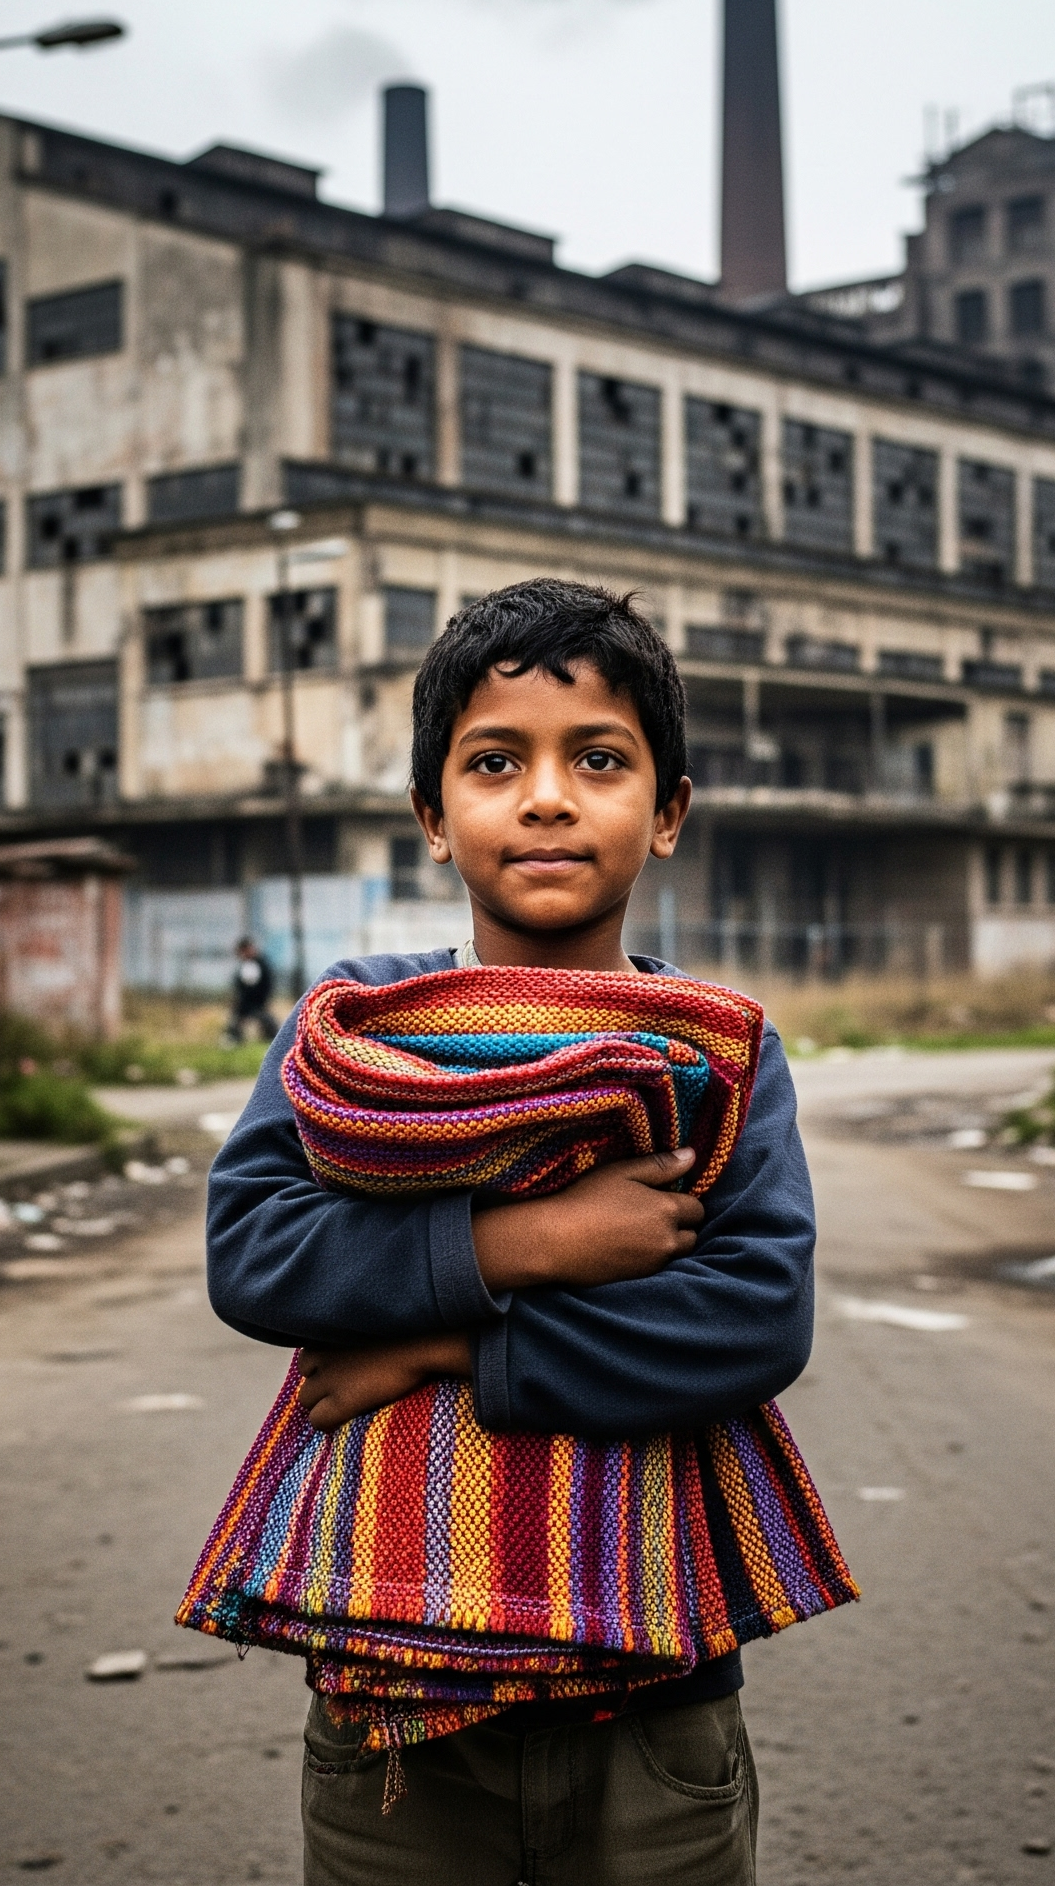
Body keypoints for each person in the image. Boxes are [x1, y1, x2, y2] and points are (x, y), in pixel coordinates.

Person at [205, 580, 817, 1884]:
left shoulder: (719, 1053)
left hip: (654, 1695)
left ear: (665, 813)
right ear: (434, 814)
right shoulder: (351, 1031)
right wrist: (519, 1248)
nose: (545, 797)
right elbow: (252, 1247)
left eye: (598, 759)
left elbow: (750, 1319)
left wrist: (437, 1350)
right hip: (396, 1695)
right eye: (495, 762)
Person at [226, 935, 277, 1044]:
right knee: (237, 1019)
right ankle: (233, 1038)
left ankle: (272, 1038)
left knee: (266, 1021)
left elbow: (267, 984)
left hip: (257, 1000)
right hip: (246, 1001)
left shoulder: (261, 964)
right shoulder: (245, 965)